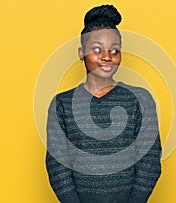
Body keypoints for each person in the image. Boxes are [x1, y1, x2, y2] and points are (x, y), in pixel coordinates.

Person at [46, 4, 162, 203]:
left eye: (114, 50)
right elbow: (58, 168)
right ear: (81, 54)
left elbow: (149, 164)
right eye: (97, 49)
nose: (107, 57)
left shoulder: (140, 100)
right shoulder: (62, 104)